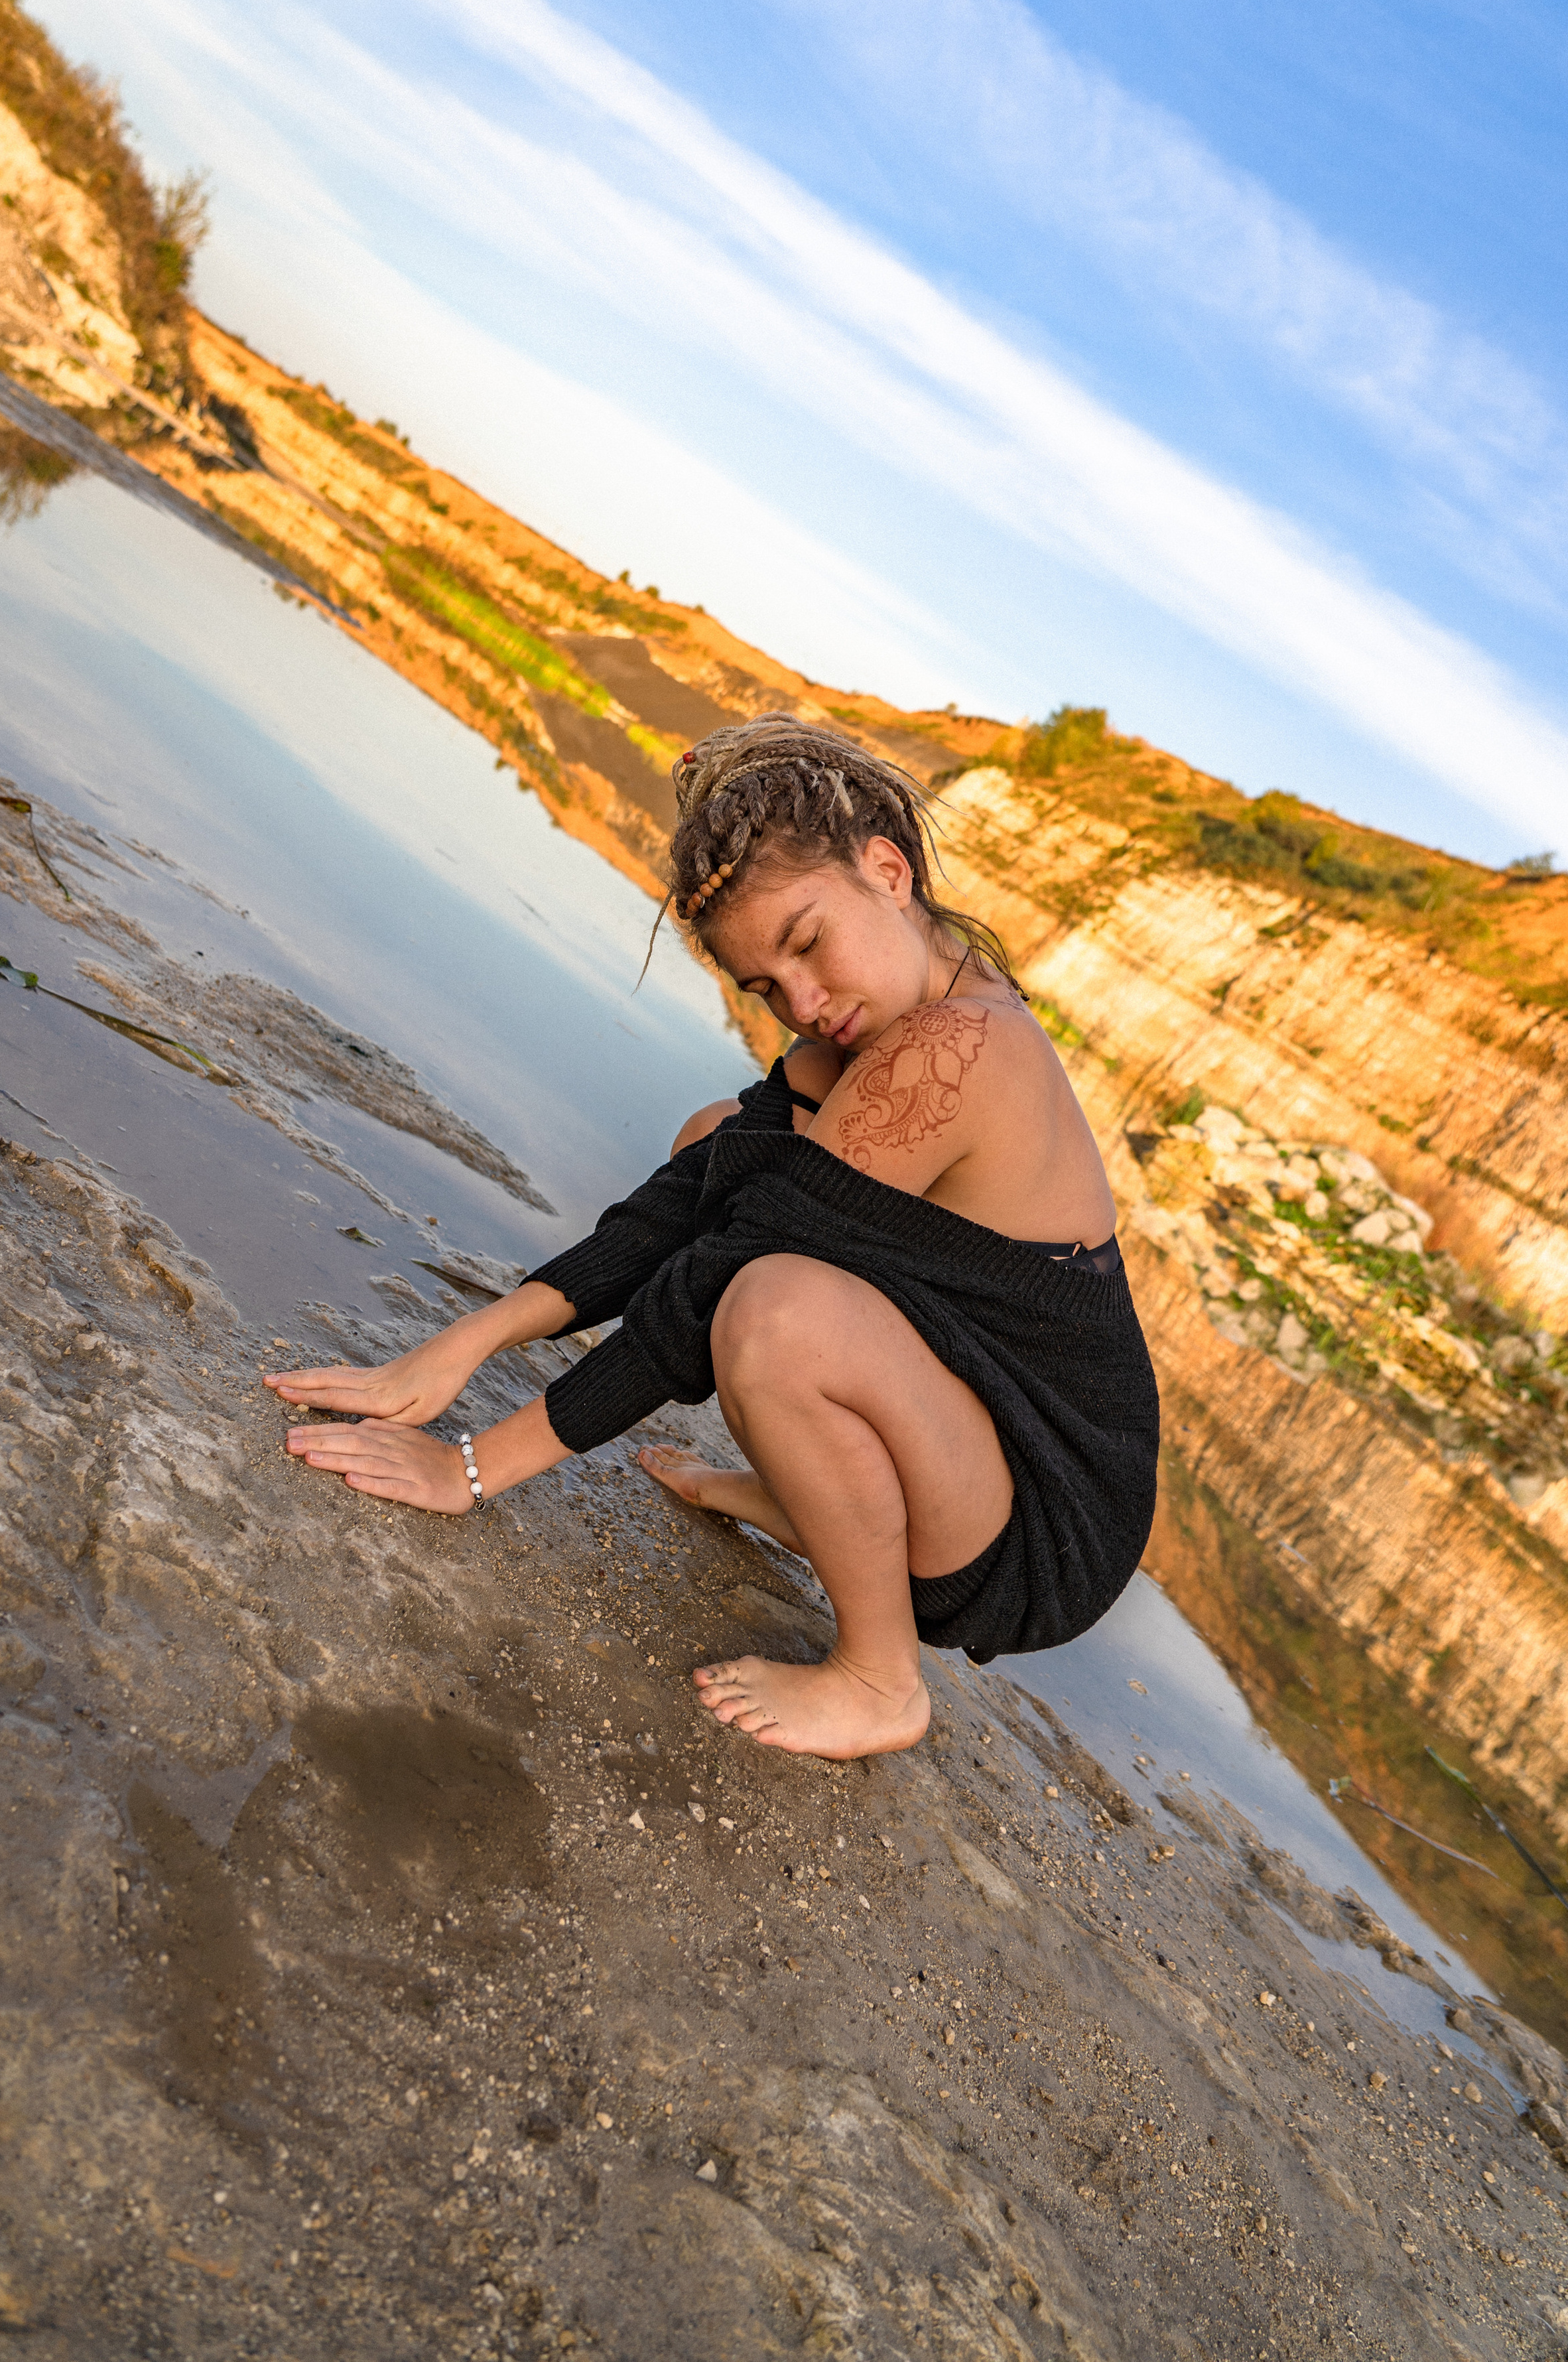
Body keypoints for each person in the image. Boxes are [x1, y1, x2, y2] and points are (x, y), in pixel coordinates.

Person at [265, 715, 1159, 1760]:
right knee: (722, 1140)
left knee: (776, 1317)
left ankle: (879, 1682)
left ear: (888, 869)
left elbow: (718, 1282)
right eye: (765, 988)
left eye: (807, 945)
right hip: (972, 1413)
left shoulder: (956, 1048)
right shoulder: (886, 1004)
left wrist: (470, 1470)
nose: (805, 1003)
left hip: (1048, 1511)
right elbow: (691, 1195)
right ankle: (808, 1501)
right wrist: (461, 1345)